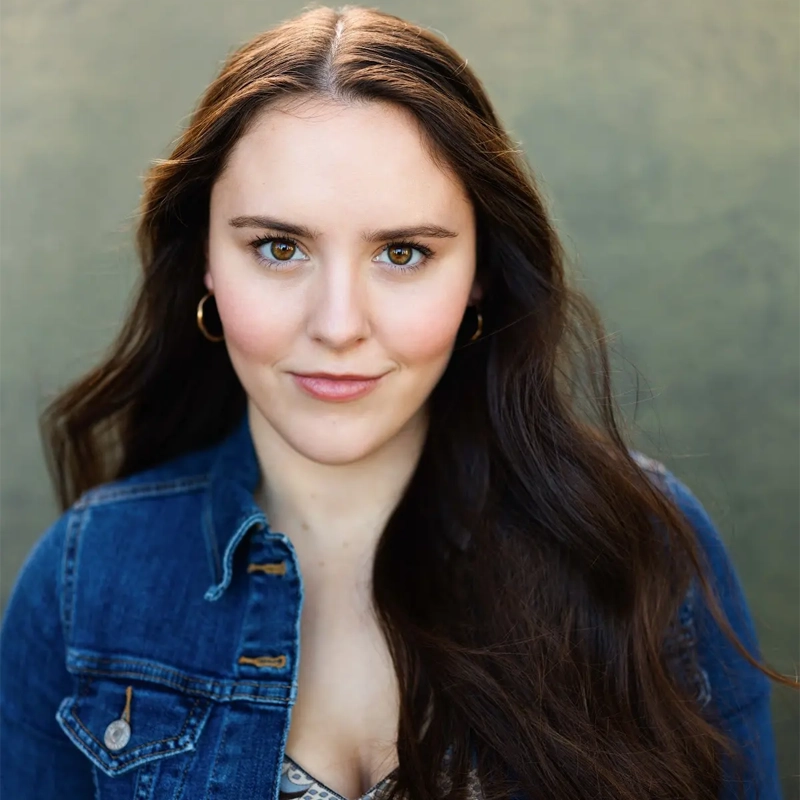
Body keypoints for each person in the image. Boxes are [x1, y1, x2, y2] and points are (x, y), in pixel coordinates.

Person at [0, 5, 792, 799]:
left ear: (479, 271)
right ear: (205, 256)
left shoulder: (642, 547)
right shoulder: (83, 578)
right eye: (279, 248)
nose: (339, 325)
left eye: (404, 253)